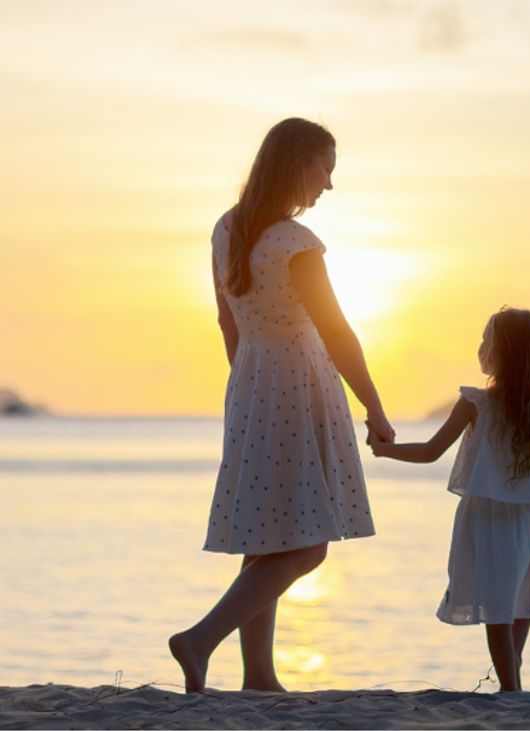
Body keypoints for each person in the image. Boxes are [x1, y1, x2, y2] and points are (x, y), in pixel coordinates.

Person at [169, 117, 396, 693]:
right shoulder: (297, 243)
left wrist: (248, 385)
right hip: (298, 381)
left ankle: (259, 675)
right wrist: (375, 407)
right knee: (308, 544)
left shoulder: (227, 229)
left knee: (266, 535)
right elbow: (338, 333)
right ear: (298, 163)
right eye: (325, 169)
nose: (328, 184)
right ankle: (199, 639)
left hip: (252, 381)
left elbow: (226, 320)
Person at [367, 307, 530, 693]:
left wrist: (383, 449)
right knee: (513, 605)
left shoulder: (486, 404)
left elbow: (430, 451)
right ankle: (513, 681)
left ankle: (511, 688)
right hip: (524, 519)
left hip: (492, 517)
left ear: (501, 352)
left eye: (486, 340)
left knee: (505, 607)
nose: (481, 346)